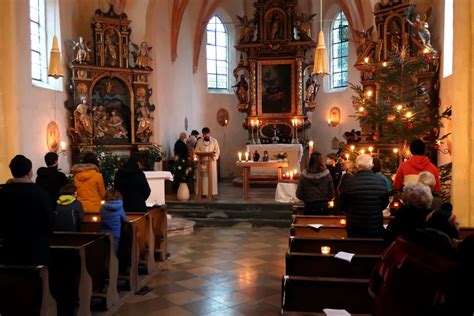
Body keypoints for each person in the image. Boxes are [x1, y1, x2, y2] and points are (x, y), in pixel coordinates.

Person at [0, 155, 53, 265]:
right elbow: (50, 220)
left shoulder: (3, 192)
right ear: (30, 172)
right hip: (36, 248)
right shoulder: (40, 193)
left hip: (10, 247)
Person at [339, 154, 389, 238]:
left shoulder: (349, 181)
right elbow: (384, 203)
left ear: (357, 165)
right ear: (372, 165)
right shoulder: (381, 181)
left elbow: (342, 204)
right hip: (374, 225)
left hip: (354, 226)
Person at [100, 189, 128, 255]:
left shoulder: (102, 207)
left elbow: (101, 216)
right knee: (114, 253)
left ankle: (105, 264)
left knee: (105, 252)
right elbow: (125, 219)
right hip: (115, 233)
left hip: (103, 232)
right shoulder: (119, 207)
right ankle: (114, 264)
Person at [195, 127, 220, 196]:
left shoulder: (214, 141)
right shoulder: (199, 141)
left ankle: (212, 192)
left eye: (207, 134)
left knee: (211, 177)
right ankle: (202, 192)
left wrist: (213, 157)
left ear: (209, 133)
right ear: (202, 134)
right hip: (202, 162)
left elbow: (217, 151)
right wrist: (199, 156)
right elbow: (196, 151)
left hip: (211, 162)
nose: (205, 135)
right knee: (203, 178)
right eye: (204, 134)